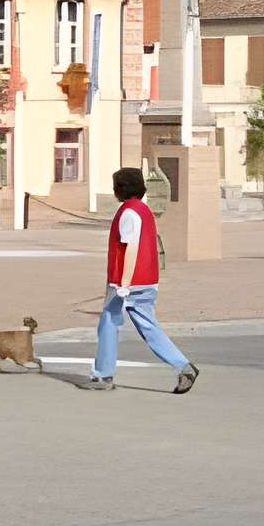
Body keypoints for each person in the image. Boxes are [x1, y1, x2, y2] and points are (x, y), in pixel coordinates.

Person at [84, 166, 197, 395]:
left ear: (121, 189)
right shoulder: (142, 210)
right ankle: (182, 366)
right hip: (145, 279)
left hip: (127, 283)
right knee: (137, 325)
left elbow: (131, 248)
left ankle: (104, 375)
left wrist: (124, 283)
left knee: (113, 323)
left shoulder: (129, 213)